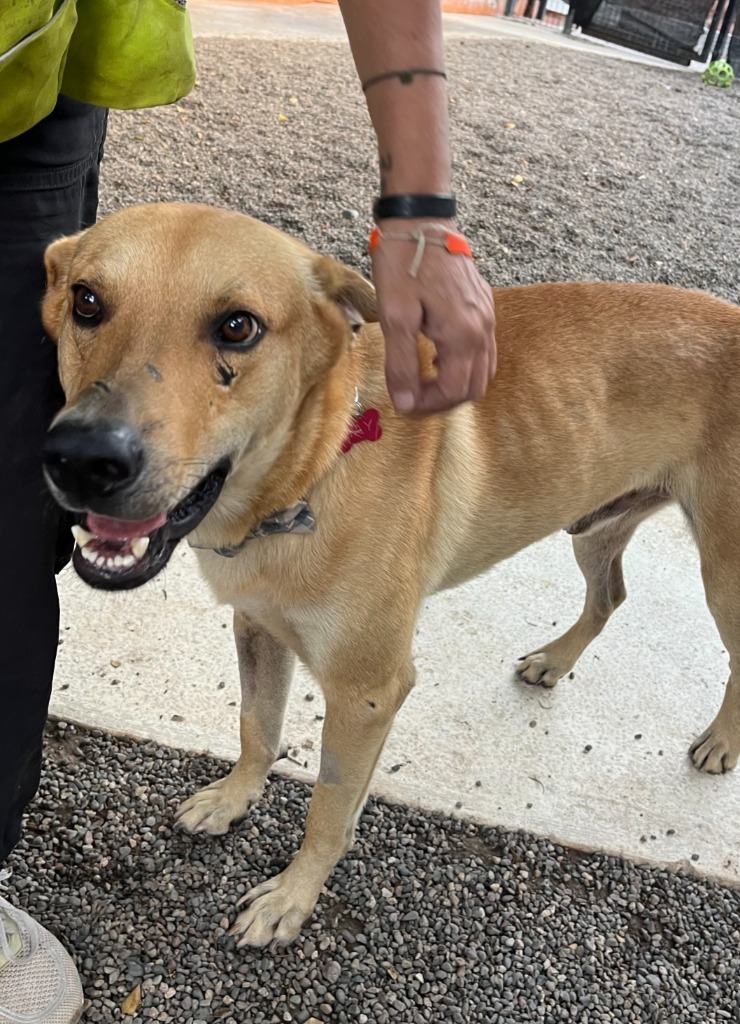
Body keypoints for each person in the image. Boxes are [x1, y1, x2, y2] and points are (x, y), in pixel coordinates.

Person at [0, 2, 496, 1021]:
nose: (108, 433)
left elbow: (374, 690)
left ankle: (317, 857)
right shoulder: (225, 481)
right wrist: (251, 769)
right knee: (258, 609)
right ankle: (252, 767)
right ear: (57, 298)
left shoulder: (337, 391)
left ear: (330, 337)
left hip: (24, 84)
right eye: (92, 308)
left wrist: (420, 213)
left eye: (231, 329)